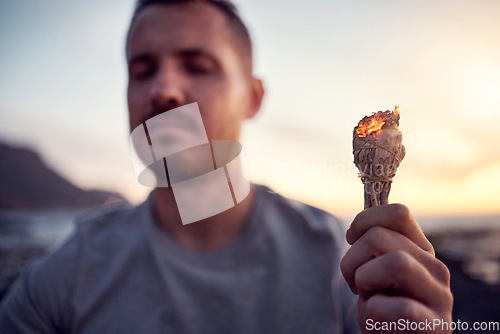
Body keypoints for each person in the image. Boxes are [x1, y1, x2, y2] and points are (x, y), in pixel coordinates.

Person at [0, 0, 453, 333]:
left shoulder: (338, 259)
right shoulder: (65, 277)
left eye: (197, 65)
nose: (164, 90)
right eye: (142, 70)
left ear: (253, 97)